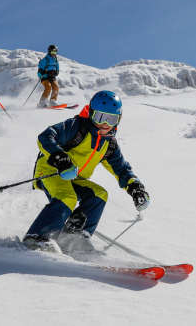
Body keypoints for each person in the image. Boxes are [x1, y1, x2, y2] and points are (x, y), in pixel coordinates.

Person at [22, 90, 150, 253]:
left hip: (75, 178)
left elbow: (121, 169)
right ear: (91, 114)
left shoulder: (109, 144)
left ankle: (74, 236)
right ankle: (37, 239)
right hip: (51, 171)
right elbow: (46, 136)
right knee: (67, 196)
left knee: (99, 194)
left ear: (118, 120)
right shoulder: (77, 127)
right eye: (100, 117)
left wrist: (136, 188)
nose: (105, 124)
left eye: (111, 119)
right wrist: (61, 159)